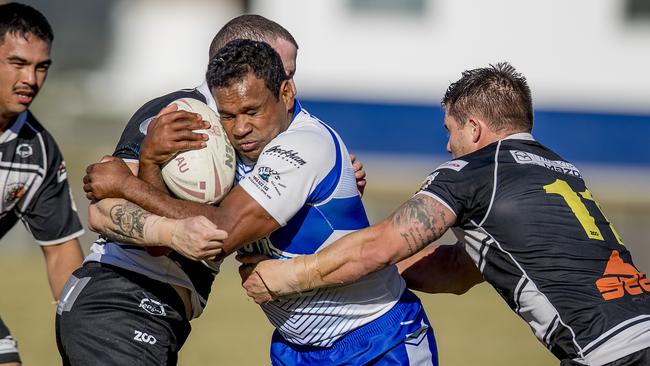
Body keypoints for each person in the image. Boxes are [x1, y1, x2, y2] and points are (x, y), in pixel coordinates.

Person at [238, 62, 650, 366]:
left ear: (473, 128)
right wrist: (370, 281)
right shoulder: (560, 170)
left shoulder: (471, 173)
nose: (448, 146)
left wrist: (289, 276)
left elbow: (379, 247)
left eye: (449, 131)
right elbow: (459, 270)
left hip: (607, 353)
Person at [83, 39, 438, 365]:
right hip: (296, 348)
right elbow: (165, 243)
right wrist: (150, 161)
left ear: (286, 93)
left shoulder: (304, 146)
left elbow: (220, 230)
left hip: (376, 340)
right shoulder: (226, 151)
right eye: (228, 115)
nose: (239, 129)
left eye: (252, 111)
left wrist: (127, 185)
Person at [0, 3, 84, 366]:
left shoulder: (36, 152)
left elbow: (61, 252)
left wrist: (84, 336)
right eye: (17, 64)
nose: (31, 80)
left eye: (40, 67)